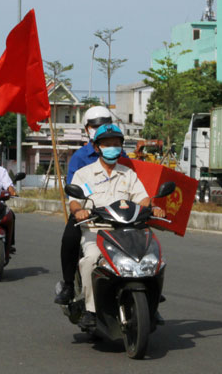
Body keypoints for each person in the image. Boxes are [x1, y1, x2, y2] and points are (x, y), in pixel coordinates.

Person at [67, 124, 166, 328]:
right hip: (96, 230)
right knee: (91, 260)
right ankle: (91, 311)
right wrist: (79, 211)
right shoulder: (84, 174)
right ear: (97, 148)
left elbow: (142, 198)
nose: (112, 148)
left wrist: (153, 208)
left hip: (128, 230)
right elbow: (74, 201)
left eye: (116, 144)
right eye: (107, 144)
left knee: (151, 259)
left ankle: (151, 307)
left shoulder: (128, 174)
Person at [55, 106, 118, 305]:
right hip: (89, 211)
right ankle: (67, 284)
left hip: (118, 214)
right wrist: (82, 207)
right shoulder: (80, 157)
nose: (99, 129)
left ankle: (146, 287)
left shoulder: (121, 155)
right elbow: (74, 188)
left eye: (104, 125)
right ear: (87, 129)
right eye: (95, 126)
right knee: (70, 238)